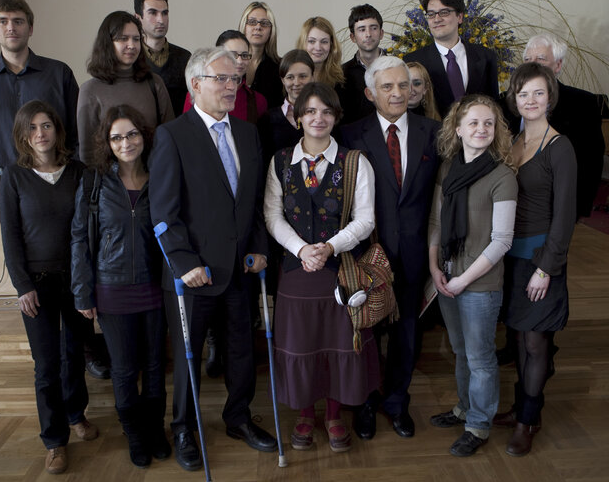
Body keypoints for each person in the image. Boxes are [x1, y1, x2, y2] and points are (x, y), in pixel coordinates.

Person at [149, 47, 276, 472]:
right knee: (188, 358)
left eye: (235, 79)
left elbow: (253, 201)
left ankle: (238, 417)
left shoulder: (247, 133)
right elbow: (163, 211)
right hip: (193, 275)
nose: (230, 87)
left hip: (240, 268)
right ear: (195, 84)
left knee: (242, 353)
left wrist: (259, 247)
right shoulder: (173, 135)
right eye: (221, 79)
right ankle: (184, 427)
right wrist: (184, 263)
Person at [264, 82, 379, 453]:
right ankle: (303, 414)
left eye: (326, 111)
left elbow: (366, 220)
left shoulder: (355, 161)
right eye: (310, 111)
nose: (319, 118)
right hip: (296, 272)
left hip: (340, 271)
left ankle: (332, 415)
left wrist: (329, 247)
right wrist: (302, 250)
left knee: (336, 345)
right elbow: (272, 215)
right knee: (301, 346)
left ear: (336, 117)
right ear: (298, 117)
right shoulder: (280, 161)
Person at [340, 56, 441, 440]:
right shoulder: (351, 135)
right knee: (366, 332)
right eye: (388, 87)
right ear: (370, 93)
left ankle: (397, 401)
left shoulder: (434, 132)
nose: (399, 93)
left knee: (406, 333)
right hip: (367, 253)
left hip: (416, 252)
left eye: (405, 85)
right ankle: (365, 402)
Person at [0, 100, 96, 475]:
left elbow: (88, 229)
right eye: (33, 128)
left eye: (47, 126)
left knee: (76, 353)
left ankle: (77, 415)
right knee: (46, 364)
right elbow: (10, 236)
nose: (41, 134)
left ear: (58, 130)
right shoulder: (15, 176)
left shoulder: (79, 172)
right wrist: (22, 285)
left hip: (75, 279)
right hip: (35, 284)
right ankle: (54, 441)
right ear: (24, 136)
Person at [70, 105, 168, 468]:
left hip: (155, 286)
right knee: (125, 368)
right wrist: (83, 292)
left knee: (156, 365)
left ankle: (156, 428)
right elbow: (79, 238)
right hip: (111, 289)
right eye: (116, 137)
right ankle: (135, 432)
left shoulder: (161, 176)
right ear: (107, 144)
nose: (125, 143)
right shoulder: (94, 182)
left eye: (131, 134)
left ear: (143, 136)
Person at [494, 62, 577, 457]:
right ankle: (522, 408)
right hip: (510, 257)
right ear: (514, 98)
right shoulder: (512, 142)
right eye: (523, 93)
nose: (530, 100)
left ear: (550, 97)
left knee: (534, 342)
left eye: (538, 93)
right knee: (515, 337)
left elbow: (564, 217)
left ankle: (528, 421)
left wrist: (546, 268)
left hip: (541, 260)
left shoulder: (559, 147)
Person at [427, 95, 517, 456]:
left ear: (495, 131)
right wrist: (434, 268)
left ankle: (478, 425)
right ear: (459, 129)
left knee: (480, 357)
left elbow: (502, 242)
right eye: (474, 123)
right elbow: (436, 221)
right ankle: (464, 408)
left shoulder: (502, 176)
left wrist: (464, 280)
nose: (481, 129)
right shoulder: (448, 169)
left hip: (479, 284)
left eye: (488, 124)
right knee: (461, 351)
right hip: (447, 275)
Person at [0, 0, 78, 215]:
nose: (11, 28)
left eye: (18, 21)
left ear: (30, 28)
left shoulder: (59, 73)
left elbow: (77, 134)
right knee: (12, 249)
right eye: (2, 21)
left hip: (56, 183)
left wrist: (72, 179)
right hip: (2, 185)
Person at [522, 33, 605, 220]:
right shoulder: (505, 103)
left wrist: (578, 210)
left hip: (556, 206)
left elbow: (591, 161)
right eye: (527, 59)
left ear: (558, 65)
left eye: (541, 59)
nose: (532, 65)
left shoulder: (583, 103)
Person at [77, 11, 174, 165]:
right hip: (110, 182)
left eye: (136, 39)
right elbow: (88, 153)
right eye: (123, 39)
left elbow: (170, 137)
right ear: (107, 43)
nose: (131, 45)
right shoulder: (90, 90)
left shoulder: (154, 83)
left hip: (155, 176)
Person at [404, 0, 499, 118]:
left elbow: (495, 106)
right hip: (432, 136)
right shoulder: (413, 60)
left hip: (478, 134)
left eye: (444, 12)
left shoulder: (486, 56)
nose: (437, 19)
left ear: (459, 17)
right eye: (431, 14)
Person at [183, 30, 267, 123]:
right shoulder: (199, 93)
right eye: (232, 54)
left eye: (244, 55)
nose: (239, 61)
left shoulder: (258, 101)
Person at [134, 0, 191, 116]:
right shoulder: (132, 58)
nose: (161, 19)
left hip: (177, 132)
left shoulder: (185, 58)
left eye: (165, 13)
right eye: (153, 13)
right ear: (138, 18)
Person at [257, 49, 315, 166]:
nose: (297, 82)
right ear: (282, 80)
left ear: (312, 77)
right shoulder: (267, 119)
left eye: (303, 76)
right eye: (290, 77)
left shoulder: (325, 116)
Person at [341, 4, 386, 124]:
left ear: (381, 33)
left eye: (373, 28)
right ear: (353, 37)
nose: (368, 34)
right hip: (355, 138)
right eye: (361, 29)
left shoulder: (397, 68)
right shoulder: (342, 74)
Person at [239, 1, 283, 109]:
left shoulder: (280, 67)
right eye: (252, 22)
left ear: (271, 30)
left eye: (264, 23)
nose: (258, 27)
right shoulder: (230, 63)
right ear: (244, 26)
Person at [296, 17, 345, 89]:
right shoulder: (291, 76)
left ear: (331, 45)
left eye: (324, 42)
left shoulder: (341, 79)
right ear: (302, 43)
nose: (318, 48)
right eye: (311, 41)